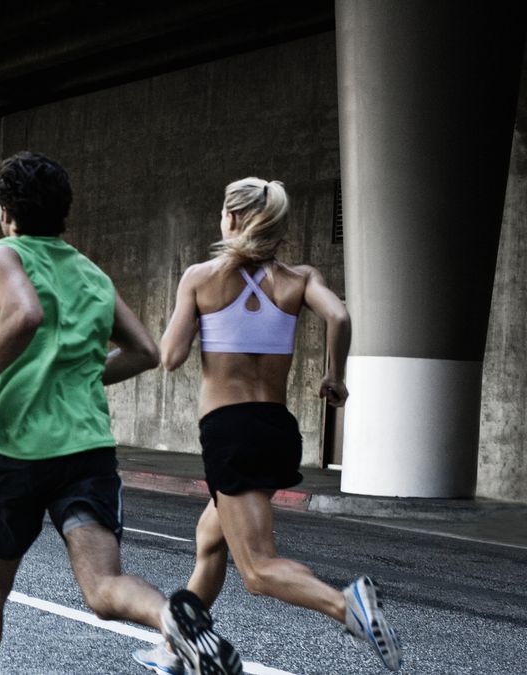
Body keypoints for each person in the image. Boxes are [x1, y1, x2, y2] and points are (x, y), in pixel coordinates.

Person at [0, 151, 241, 675]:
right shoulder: (90, 273)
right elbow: (144, 352)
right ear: (65, 213)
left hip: (17, 451)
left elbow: (24, 313)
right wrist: (81, 375)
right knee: (103, 586)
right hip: (86, 452)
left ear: (5, 213)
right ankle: (173, 618)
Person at [144, 177, 401, 673]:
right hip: (276, 429)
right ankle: (181, 650)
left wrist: (189, 320)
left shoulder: (201, 277)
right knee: (209, 539)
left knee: (259, 570)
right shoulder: (299, 278)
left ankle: (349, 608)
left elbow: (171, 357)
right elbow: (340, 317)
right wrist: (333, 377)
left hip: (230, 433)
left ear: (232, 219)